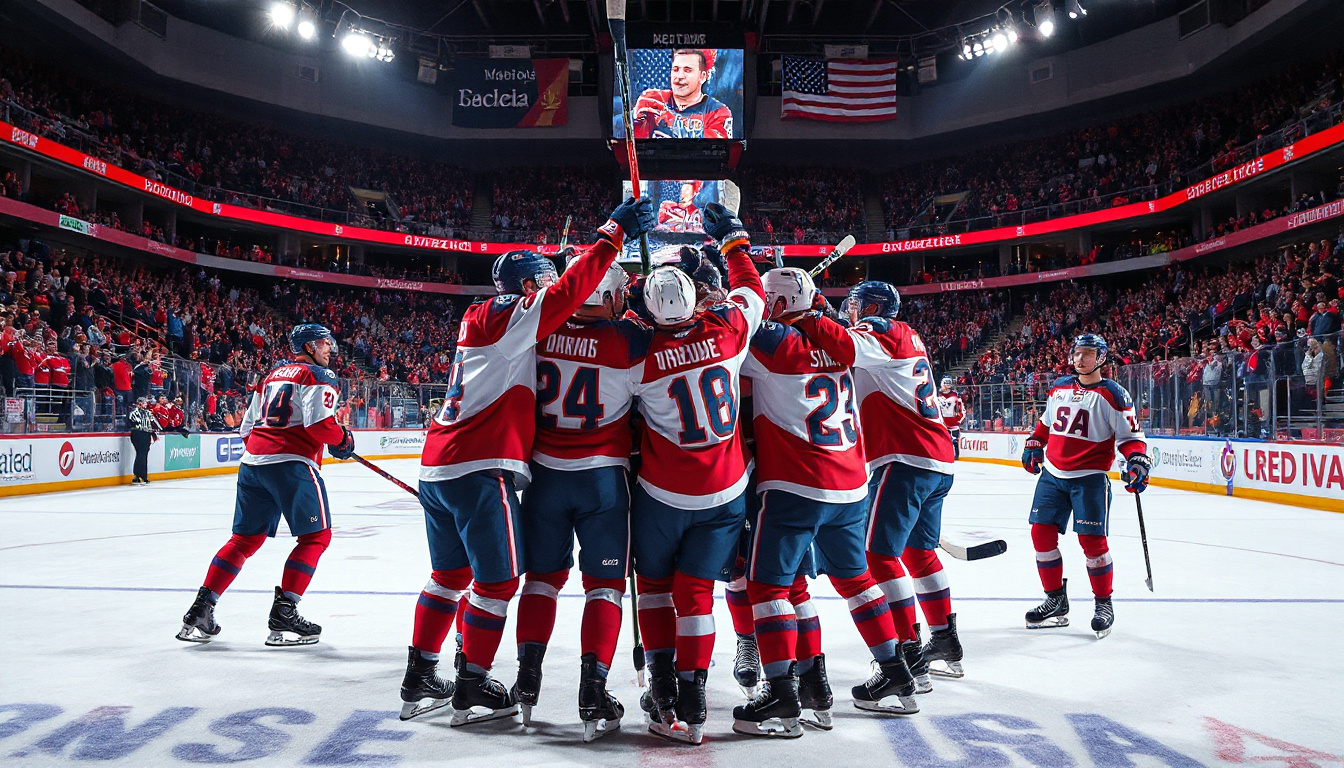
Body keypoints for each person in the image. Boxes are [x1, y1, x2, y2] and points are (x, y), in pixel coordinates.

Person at [399, 197, 654, 727]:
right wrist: (612, 237)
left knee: (450, 575)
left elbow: (560, 306)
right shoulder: (526, 320)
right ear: (530, 288)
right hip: (486, 466)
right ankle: (470, 685)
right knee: (497, 583)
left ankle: (422, 673)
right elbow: (568, 297)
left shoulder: (492, 318)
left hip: (443, 463)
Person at [733, 268, 919, 739]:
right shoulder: (841, 338)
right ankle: (894, 674)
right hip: (851, 485)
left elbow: (731, 332)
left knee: (769, 589)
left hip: (796, 485)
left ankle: (780, 693)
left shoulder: (773, 344)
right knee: (855, 581)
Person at [628, 202, 764, 745]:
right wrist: (733, 240)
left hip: (663, 493)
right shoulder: (730, 330)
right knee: (698, 593)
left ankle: (663, 690)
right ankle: (696, 695)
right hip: (726, 489)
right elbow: (751, 288)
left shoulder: (635, 352)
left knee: (657, 590)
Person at [791, 281, 963, 681]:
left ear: (870, 307)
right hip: (934, 459)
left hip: (904, 459)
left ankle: (907, 651)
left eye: (854, 305)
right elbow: (850, 340)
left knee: (878, 556)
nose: (849, 312)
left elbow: (847, 346)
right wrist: (821, 310)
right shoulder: (903, 334)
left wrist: (810, 315)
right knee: (919, 554)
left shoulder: (879, 331)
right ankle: (944, 638)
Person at [513, 257, 646, 741]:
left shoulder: (539, 329)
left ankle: (527, 680)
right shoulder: (628, 339)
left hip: (545, 477)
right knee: (605, 587)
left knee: (541, 582)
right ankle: (593, 690)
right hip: (602, 482)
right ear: (608, 296)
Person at [175, 324, 356, 646]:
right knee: (316, 537)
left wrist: (269, 449)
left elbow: (247, 428)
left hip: (252, 465)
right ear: (308, 347)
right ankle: (285, 612)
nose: (330, 349)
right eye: (324, 344)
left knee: (244, 540)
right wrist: (342, 439)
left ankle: (201, 609)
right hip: (292, 466)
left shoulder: (271, 376)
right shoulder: (318, 375)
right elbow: (320, 425)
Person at [1020, 334, 1149, 639]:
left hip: (1089, 478)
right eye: (1077, 353)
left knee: (1092, 544)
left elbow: (1130, 438)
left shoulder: (1113, 394)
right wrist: (1035, 441)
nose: (1080, 359)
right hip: (1052, 475)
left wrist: (1137, 461)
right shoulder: (1060, 386)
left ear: (1102, 358)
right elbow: (1046, 424)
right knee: (1041, 535)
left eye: (1088, 354)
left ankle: (1104, 603)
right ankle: (1055, 599)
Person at [633, 49, 732, 139]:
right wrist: (636, 120)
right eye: (676, 69)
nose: (679, 76)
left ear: (703, 76)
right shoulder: (651, 98)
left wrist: (671, 121)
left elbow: (716, 147)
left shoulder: (718, 112)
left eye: (687, 70)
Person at [127, 396, 159, 486]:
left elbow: (154, 423)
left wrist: (154, 432)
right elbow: (131, 423)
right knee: (141, 454)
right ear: (139, 403)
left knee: (142, 454)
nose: (145, 404)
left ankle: (138, 475)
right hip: (138, 433)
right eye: (143, 403)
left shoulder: (148, 413)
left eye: (145, 403)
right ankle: (141, 475)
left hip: (146, 434)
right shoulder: (134, 412)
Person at [937, 377, 965, 459]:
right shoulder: (938, 395)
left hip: (951, 422)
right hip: (942, 422)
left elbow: (961, 410)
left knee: (954, 440)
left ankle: (955, 454)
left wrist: (959, 420)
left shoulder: (955, 396)